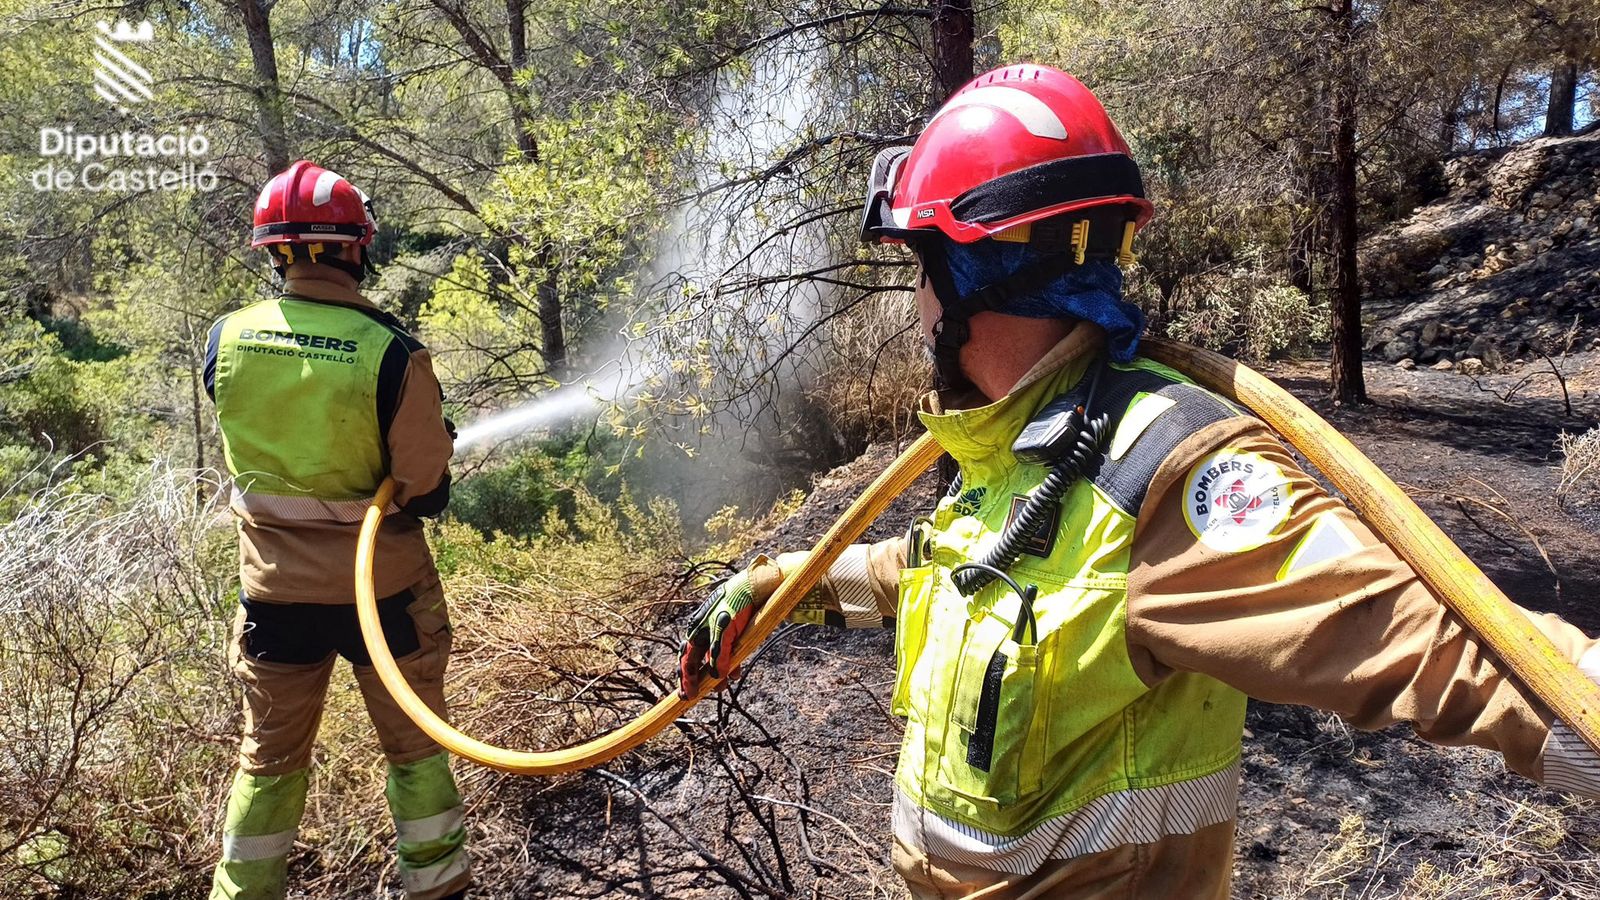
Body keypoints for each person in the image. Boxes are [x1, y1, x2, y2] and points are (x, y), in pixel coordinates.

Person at [677, 64, 1600, 898]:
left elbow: (1424, 639)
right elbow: (948, 570)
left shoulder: (1169, 468)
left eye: (926, 267)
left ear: (984, 274)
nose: (918, 304)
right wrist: (777, 587)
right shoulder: (1019, 446)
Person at [205, 161, 471, 900]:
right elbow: (422, 488)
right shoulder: (391, 350)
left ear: (276, 252)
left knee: (268, 761)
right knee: (417, 750)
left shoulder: (225, 339)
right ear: (359, 248)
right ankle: (437, 886)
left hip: (275, 597)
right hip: (383, 597)